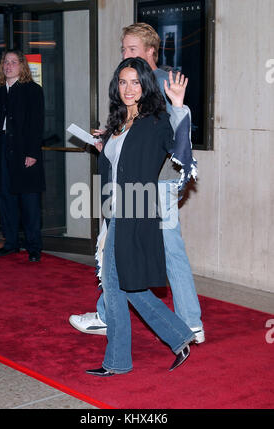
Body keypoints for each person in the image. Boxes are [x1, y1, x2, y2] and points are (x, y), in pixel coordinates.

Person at [69, 23, 205, 343]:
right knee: (141, 248)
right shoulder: (148, 80)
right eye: (124, 51)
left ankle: (114, 316)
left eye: (132, 50)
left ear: (149, 52)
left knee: (129, 247)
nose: (126, 56)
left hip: (154, 184)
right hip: (154, 182)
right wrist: (114, 137)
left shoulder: (156, 81)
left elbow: (173, 139)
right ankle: (189, 321)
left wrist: (177, 108)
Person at [86, 57, 196, 376]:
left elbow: (179, 150)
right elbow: (117, 164)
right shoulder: (119, 121)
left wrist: (178, 106)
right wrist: (103, 144)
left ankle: (119, 360)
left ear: (145, 85)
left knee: (115, 283)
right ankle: (176, 338)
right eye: (123, 82)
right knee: (124, 286)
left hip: (137, 208)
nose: (128, 88)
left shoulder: (157, 119)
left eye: (135, 82)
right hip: (116, 209)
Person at [0, 50, 45, 262]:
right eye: (5, 62)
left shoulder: (33, 91)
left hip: (24, 151)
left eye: (13, 62)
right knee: (5, 199)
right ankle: (11, 243)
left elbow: (36, 124)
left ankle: (34, 247)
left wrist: (32, 153)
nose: (8, 66)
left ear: (22, 66)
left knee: (29, 202)